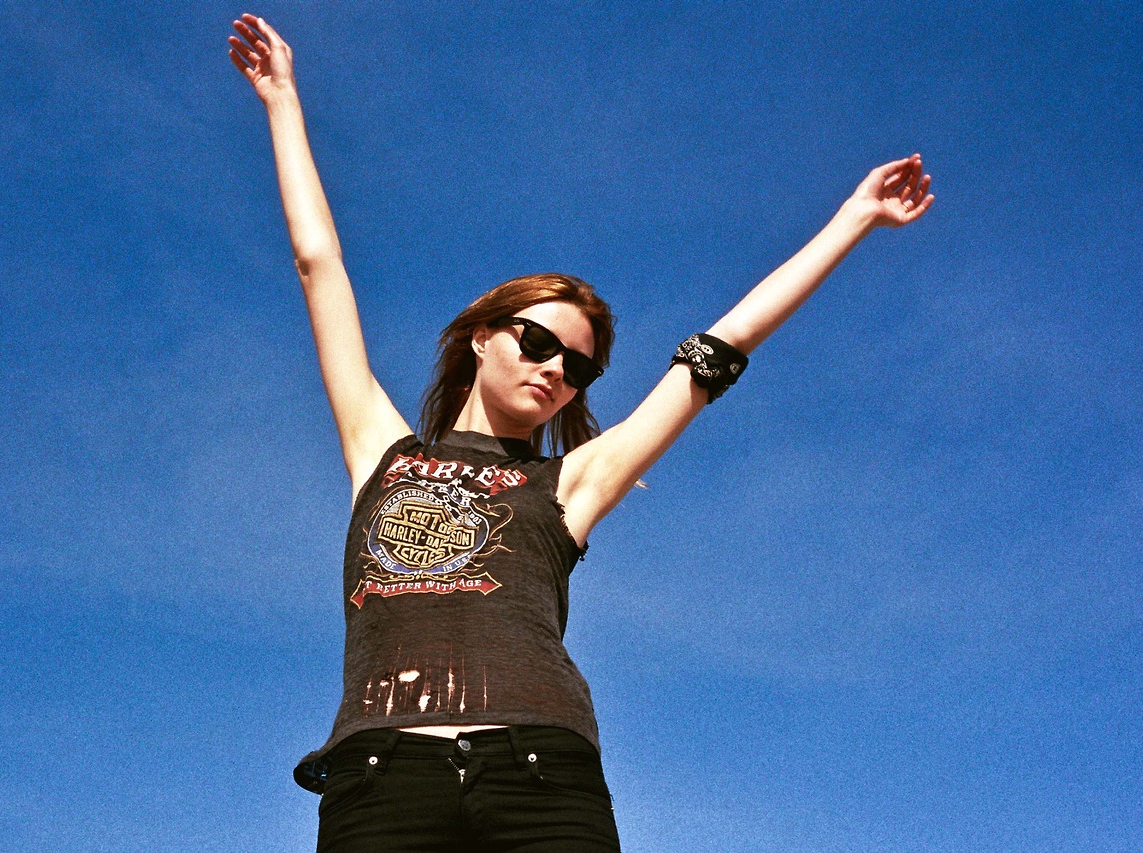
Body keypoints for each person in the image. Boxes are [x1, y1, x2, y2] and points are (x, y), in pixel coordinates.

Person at [229, 13, 933, 852]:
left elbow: (720, 349)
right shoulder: (380, 446)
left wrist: (853, 218)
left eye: (578, 366)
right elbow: (320, 266)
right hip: (381, 775)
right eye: (536, 341)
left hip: (540, 772)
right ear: (481, 337)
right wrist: (283, 101)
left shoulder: (570, 481)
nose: (554, 369)